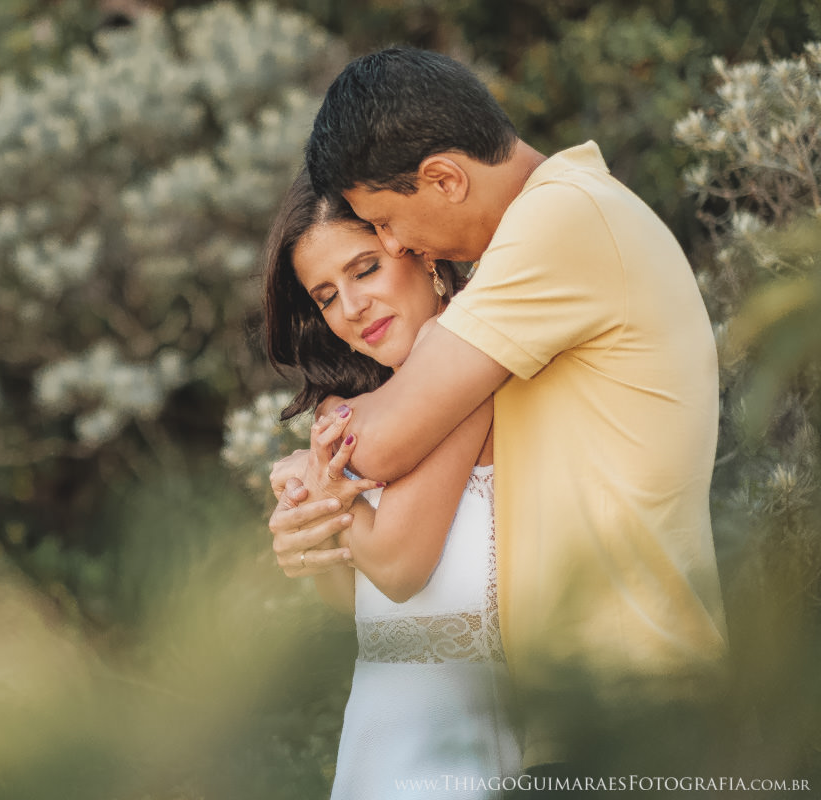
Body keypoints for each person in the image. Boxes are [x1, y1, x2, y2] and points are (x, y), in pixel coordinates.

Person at [270, 46, 729, 772]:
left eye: (385, 224)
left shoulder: (562, 220)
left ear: (445, 178)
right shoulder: (561, 221)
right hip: (582, 711)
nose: (394, 243)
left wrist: (310, 465)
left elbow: (381, 446)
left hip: (635, 696)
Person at [264, 171, 519, 799]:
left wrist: (321, 483)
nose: (350, 309)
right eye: (325, 295)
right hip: (381, 726)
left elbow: (401, 568)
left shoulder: (466, 377)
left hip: (456, 737)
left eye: (365, 269)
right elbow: (357, 603)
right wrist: (310, 525)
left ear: (421, 253)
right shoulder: (366, 408)